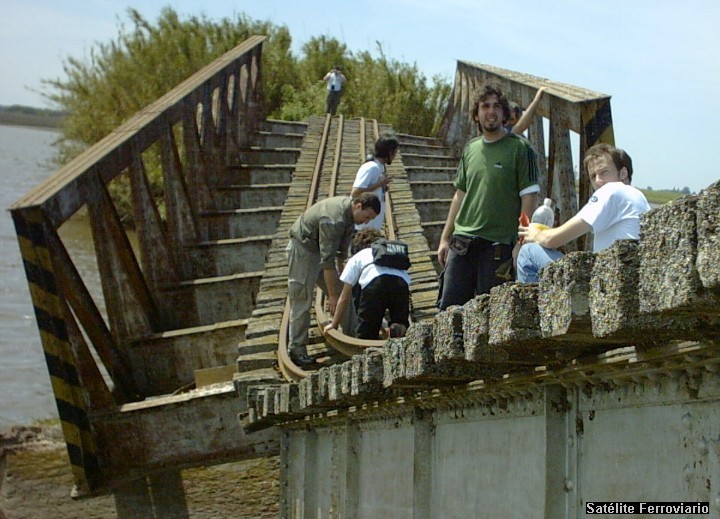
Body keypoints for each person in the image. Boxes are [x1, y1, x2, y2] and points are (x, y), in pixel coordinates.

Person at [437, 83, 540, 310]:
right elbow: (459, 196)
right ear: (476, 113)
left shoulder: (521, 149)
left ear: (504, 114)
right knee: (449, 311)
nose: (490, 111)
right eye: (485, 106)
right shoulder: (470, 149)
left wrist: (521, 242)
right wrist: (445, 238)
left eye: (496, 106)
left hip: (498, 245)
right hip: (462, 242)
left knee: (492, 314)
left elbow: (529, 198)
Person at [516, 143, 651, 282]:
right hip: (629, 278)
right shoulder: (639, 198)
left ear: (623, 173)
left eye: (604, 172)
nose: (598, 181)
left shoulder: (613, 190)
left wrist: (535, 234)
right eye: (593, 176)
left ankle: (534, 303)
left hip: (610, 280)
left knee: (528, 252)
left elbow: (551, 240)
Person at [287, 193, 380, 366]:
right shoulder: (334, 219)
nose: (366, 222)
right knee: (302, 299)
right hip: (304, 250)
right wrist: (332, 296)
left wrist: (344, 283)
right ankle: (296, 349)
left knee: (345, 293)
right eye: (366, 217)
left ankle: (352, 338)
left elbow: (341, 254)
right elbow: (328, 262)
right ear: (358, 206)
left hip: (318, 250)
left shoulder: (350, 218)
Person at [323, 228, 410, 340]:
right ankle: (396, 328)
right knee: (400, 321)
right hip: (401, 284)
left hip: (375, 284)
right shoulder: (391, 255)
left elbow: (344, 297)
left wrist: (334, 324)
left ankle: (367, 349)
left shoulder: (358, 256)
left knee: (366, 332)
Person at [351, 133, 399, 230]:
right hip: (362, 227)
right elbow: (355, 193)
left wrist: (382, 188)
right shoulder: (372, 167)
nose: (395, 155)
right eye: (394, 152)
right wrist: (380, 184)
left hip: (370, 227)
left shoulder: (379, 167)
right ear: (389, 152)